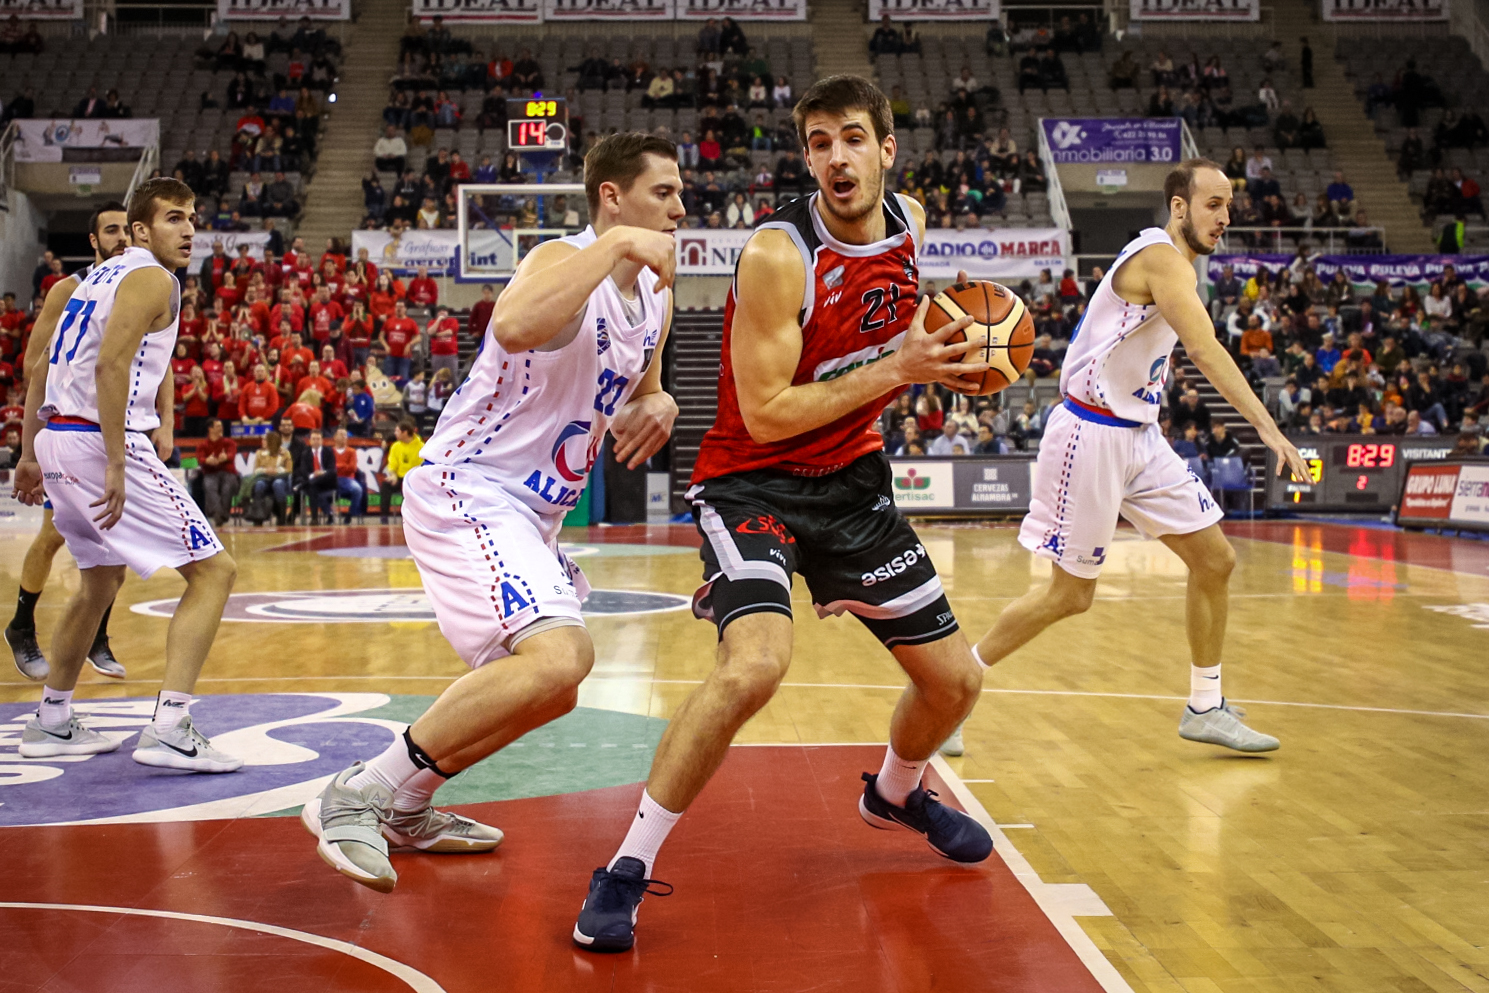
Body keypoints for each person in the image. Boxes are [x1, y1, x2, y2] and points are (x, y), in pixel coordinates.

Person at [574, 78, 994, 954]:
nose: (834, 157)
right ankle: (625, 866)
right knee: (753, 668)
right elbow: (764, 414)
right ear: (805, 158)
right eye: (817, 143)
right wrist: (900, 370)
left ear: (886, 149)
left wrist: (958, 356)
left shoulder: (911, 224)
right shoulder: (776, 254)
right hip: (751, 483)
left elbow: (889, 340)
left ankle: (895, 791)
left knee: (956, 682)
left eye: (851, 138)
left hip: (851, 485)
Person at [303, 132, 682, 896]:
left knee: (555, 684)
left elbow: (643, 389)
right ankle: (362, 789)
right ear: (613, 197)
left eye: (678, 194)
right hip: (470, 487)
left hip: (533, 513)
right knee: (560, 658)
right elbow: (512, 325)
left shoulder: (658, 296)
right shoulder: (560, 259)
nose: (679, 207)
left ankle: (407, 806)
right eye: (663, 192)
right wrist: (615, 247)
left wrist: (659, 400)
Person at [944, 159, 1312, 760]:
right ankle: (951, 691)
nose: (1225, 217)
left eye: (1229, 206)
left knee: (1214, 560)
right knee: (1069, 596)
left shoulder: (1180, 265)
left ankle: (1205, 705)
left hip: (1138, 435)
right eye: (1213, 204)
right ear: (1178, 207)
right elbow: (1203, 347)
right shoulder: (1160, 258)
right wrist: (1270, 431)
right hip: (1090, 435)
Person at [12, 177, 241, 772]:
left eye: (192, 217)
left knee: (98, 581)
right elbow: (113, 363)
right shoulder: (152, 278)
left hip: (59, 437)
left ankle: (52, 721)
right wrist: (117, 459)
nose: (188, 228)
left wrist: (30, 452)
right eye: (171, 218)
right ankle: (169, 728)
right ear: (140, 230)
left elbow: (40, 366)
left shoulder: (93, 279)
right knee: (214, 571)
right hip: (98, 440)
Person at [5, 202, 133, 683]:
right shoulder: (69, 289)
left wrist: (162, 417)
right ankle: (22, 624)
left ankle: (96, 635)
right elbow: (32, 363)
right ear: (94, 241)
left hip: (113, 432)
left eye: (127, 229)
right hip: (69, 430)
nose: (121, 237)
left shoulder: (138, 286)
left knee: (112, 535)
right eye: (111, 230)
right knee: (55, 534)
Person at [197, 418, 239, 528]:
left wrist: (225, 458)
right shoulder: (203, 445)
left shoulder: (229, 443)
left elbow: (231, 455)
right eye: (218, 426)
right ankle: (219, 515)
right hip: (210, 472)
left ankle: (220, 515)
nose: (221, 428)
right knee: (209, 486)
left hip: (228, 472)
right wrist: (207, 461)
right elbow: (200, 459)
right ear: (210, 429)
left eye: (221, 426)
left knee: (228, 487)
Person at [293, 427, 338, 524]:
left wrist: (322, 472)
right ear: (310, 441)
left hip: (327, 481)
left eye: (318, 439)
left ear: (322, 440)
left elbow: (332, 469)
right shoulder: (305, 453)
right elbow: (304, 471)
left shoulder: (329, 451)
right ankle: (314, 518)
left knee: (327, 476)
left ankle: (302, 485)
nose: (316, 441)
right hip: (313, 481)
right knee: (313, 487)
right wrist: (314, 474)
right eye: (314, 439)